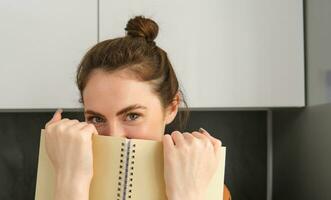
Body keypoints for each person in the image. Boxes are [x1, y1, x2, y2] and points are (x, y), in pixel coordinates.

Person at [43, 16, 230, 200]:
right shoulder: (58, 179)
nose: (114, 136)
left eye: (132, 115)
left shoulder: (211, 191)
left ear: (171, 108)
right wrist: (70, 182)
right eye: (97, 119)